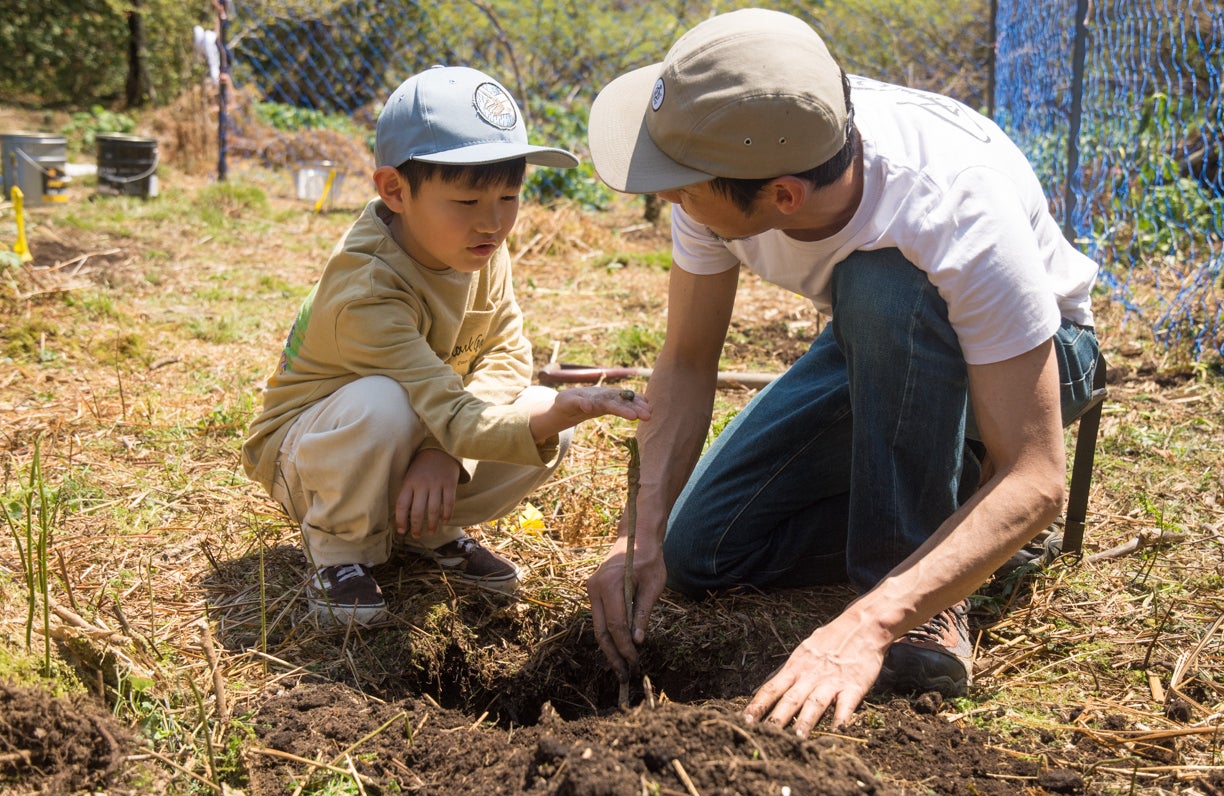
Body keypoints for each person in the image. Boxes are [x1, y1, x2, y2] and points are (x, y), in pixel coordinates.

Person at [584, 8, 1100, 734]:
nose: (665, 195)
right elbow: (688, 359)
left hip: (1039, 355)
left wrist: (872, 620)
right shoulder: (736, 138)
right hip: (880, 342)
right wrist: (640, 532)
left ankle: (919, 594)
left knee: (883, 283)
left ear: (783, 197)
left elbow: (1037, 476)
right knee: (703, 550)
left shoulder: (949, 204)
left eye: (681, 186)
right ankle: (959, 505)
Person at [243, 66, 650, 627]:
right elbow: (438, 404)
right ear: (395, 191)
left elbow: (507, 352)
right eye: (466, 200)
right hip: (314, 457)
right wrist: (453, 441)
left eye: (509, 196)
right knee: (385, 403)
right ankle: (339, 549)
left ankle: (423, 529)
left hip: (427, 422)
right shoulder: (367, 288)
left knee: (543, 419)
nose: (493, 222)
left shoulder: (478, 247)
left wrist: (446, 453)